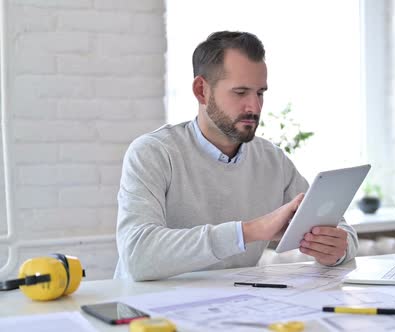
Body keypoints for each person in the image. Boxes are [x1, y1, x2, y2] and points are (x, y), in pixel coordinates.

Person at [114, 31, 359, 281]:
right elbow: (137, 256)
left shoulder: (272, 160)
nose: (254, 107)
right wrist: (250, 231)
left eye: (260, 93)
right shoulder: (153, 153)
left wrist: (338, 249)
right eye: (240, 92)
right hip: (148, 312)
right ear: (201, 91)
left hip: (231, 307)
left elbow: (342, 228)